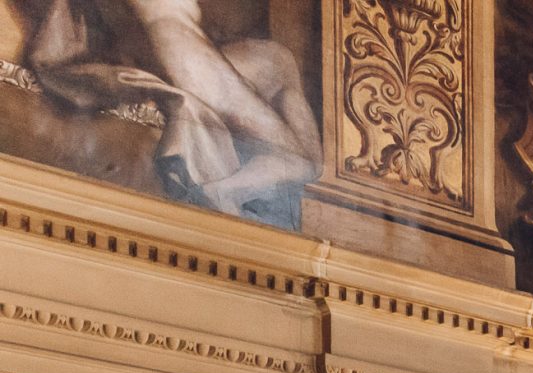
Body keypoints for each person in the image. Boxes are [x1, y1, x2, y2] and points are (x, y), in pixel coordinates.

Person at [27, 0, 320, 225]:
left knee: (279, 61)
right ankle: (222, 192)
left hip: (189, 47)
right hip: (180, 50)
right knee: (300, 163)